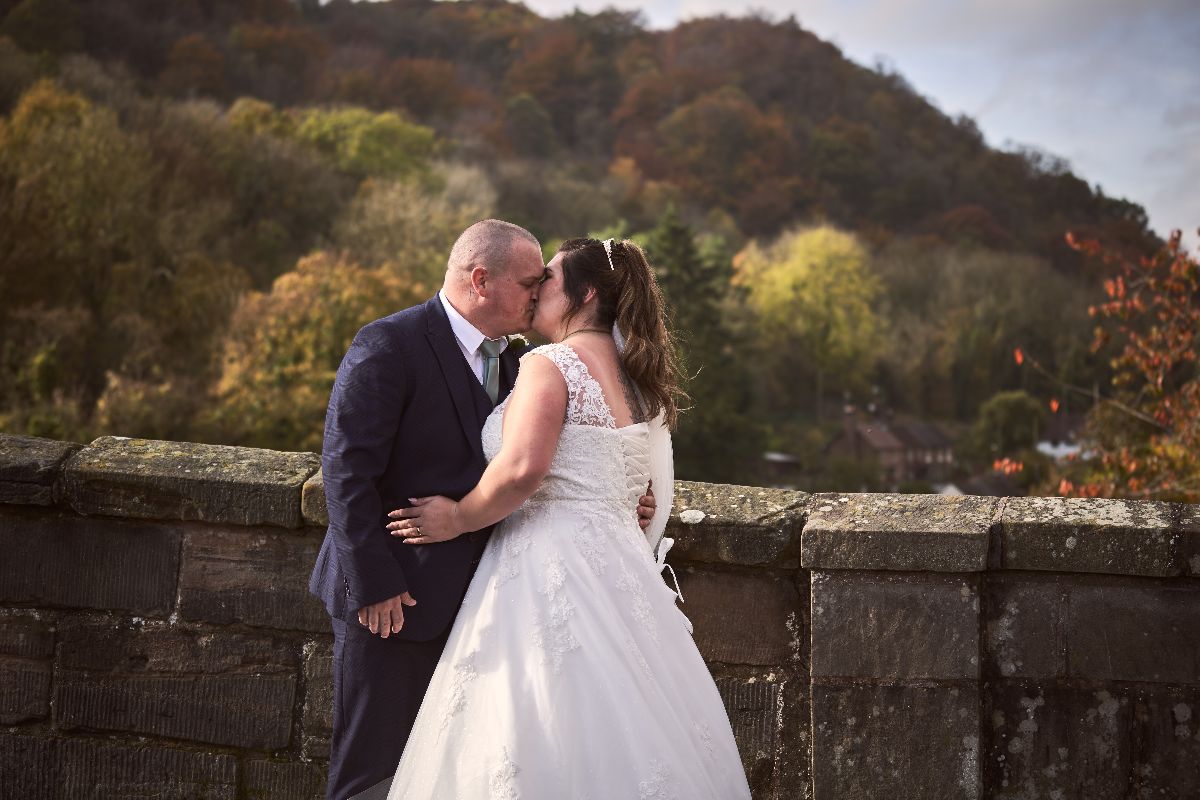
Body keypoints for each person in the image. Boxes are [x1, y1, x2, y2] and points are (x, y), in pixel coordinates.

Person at [379, 238, 752, 799]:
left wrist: (457, 517)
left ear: (586, 294)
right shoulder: (634, 376)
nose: (535, 291)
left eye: (547, 280)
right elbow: (627, 476)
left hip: (546, 561)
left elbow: (523, 471)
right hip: (620, 566)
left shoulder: (549, 364)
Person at [308, 220, 656, 800]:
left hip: (490, 604)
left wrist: (617, 494)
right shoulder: (390, 344)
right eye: (529, 282)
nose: (539, 292)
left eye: (546, 281)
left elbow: (549, 461)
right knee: (372, 773)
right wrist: (373, 584)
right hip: (394, 602)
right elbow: (346, 472)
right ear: (479, 280)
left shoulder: (527, 364)